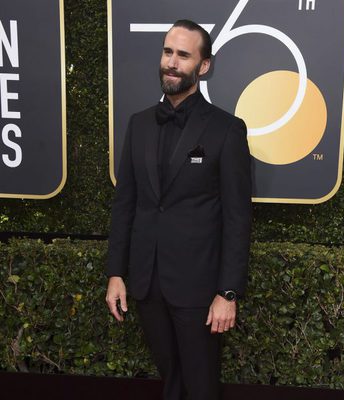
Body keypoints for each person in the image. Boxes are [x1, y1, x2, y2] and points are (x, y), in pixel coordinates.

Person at [106, 19, 252, 400]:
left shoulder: (227, 130)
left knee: (201, 386)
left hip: (198, 288)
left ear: (203, 66)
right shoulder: (138, 125)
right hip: (146, 282)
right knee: (169, 379)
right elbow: (126, 205)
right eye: (168, 52)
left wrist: (228, 292)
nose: (172, 62)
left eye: (183, 55)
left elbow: (238, 218)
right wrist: (116, 273)